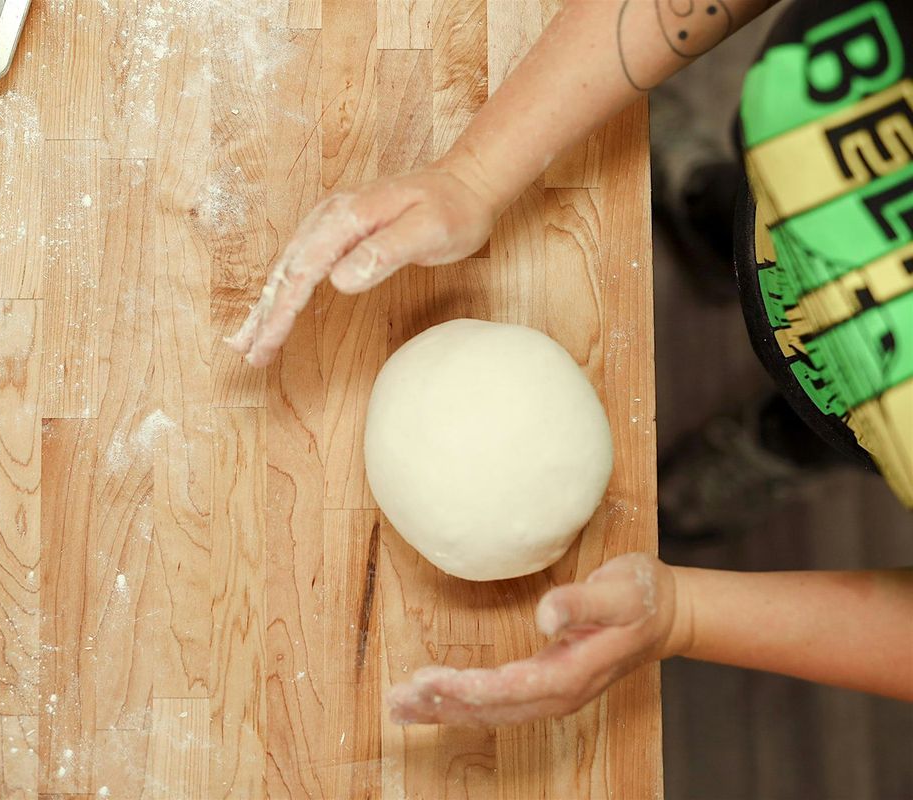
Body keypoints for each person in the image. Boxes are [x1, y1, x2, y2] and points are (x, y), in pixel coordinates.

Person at [227, 0, 913, 726]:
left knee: (834, 424)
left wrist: (683, 615)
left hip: (870, 417)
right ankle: (714, 220)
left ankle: (784, 444)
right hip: (777, 203)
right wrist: (477, 170)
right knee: (749, 213)